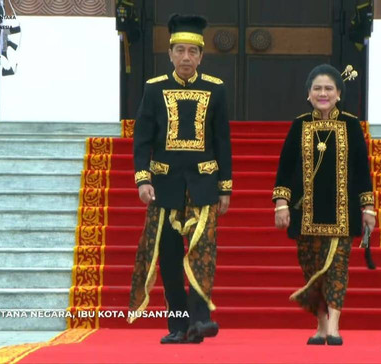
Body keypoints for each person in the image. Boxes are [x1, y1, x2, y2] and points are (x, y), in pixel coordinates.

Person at [127, 13, 232, 344]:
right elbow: (142, 137)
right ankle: (178, 325)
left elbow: (222, 141)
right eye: (180, 51)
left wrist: (225, 186)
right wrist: (143, 179)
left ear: (201, 56)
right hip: (164, 185)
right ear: (170, 54)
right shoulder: (154, 89)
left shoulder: (215, 90)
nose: (186, 58)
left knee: (203, 253)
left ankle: (201, 319)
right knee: (169, 257)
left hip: (203, 185)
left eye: (192, 52)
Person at [273, 64, 375, 346]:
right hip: (306, 213)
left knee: (338, 268)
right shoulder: (300, 125)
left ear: (338, 94)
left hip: (343, 213)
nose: (323, 93)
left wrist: (368, 208)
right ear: (308, 94)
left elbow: (362, 170)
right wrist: (281, 204)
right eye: (317, 88)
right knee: (313, 270)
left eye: (329, 88)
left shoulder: (352, 126)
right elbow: (285, 168)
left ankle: (334, 326)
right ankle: (320, 326)